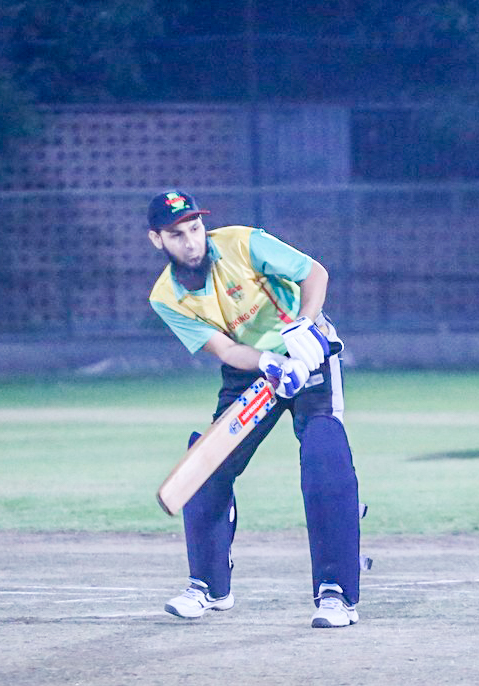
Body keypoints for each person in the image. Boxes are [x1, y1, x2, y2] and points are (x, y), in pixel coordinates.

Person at [146, 189, 361, 628]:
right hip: (252, 369)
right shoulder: (166, 297)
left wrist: (304, 326)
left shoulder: (243, 243)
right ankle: (209, 586)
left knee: (323, 455)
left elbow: (314, 273)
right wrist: (269, 364)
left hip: (309, 351)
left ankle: (336, 594)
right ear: (157, 240)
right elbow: (226, 349)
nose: (191, 242)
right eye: (177, 235)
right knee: (206, 464)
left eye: (195, 228)